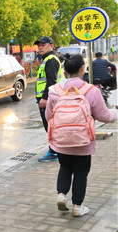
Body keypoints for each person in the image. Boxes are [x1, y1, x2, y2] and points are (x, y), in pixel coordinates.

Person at [45, 54, 117, 217]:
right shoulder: (91, 91)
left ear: (64, 70)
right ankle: (77, 207)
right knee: (81, 171)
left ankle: (61, 194)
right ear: (82, 69)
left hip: (61, 140)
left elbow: (49, 116)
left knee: (65, 166)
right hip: (83, 141)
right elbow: (105, 116)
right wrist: (115, 112)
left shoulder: (54, 91)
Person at [34, 36, 64, 162]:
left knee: (51, 126)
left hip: (50, 99)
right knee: (51, 125)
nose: (40, 47)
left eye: (43, 45)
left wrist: (45, 98)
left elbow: (51, 80)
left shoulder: (51, 60)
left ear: (51, 46)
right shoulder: (46, 59)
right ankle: (57, 150)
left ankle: (54, 152)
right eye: (39, 45)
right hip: (50, 98)